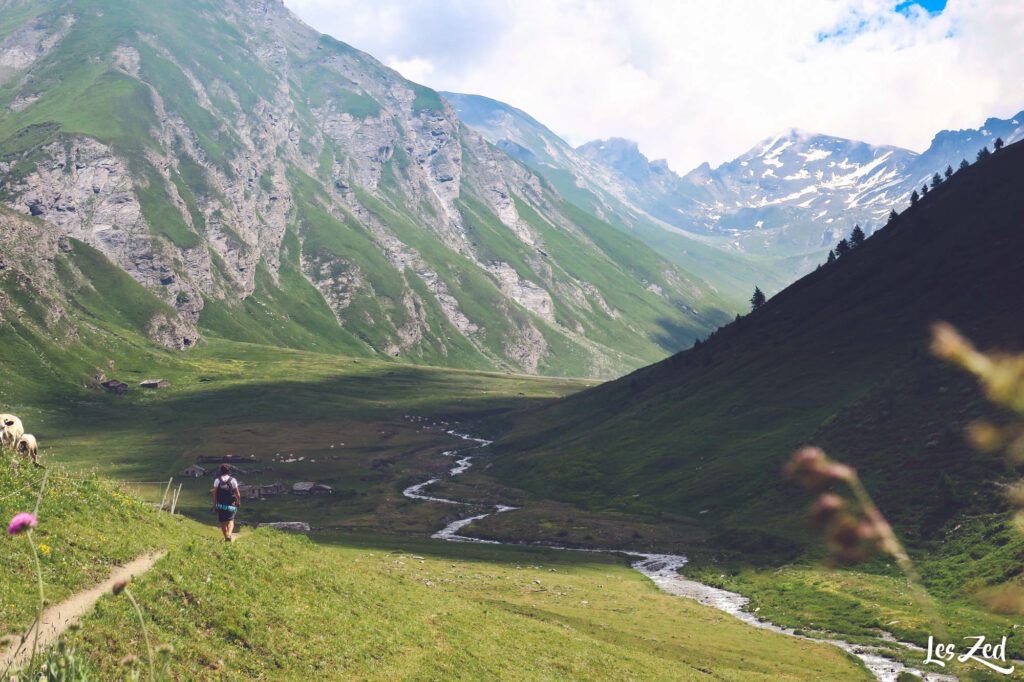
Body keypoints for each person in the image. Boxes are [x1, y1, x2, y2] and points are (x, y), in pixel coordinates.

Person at [212, 464, 241, 542]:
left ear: (220, 471)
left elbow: (214, 494)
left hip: (221, 505)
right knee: (231, 521)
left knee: (223, 523)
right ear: (229, 471)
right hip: (231, 505)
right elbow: (237, 493)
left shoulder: (217, 480)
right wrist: (238, 502)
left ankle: (226, 538)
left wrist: (214, 506)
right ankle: (229, 534)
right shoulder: (233, 480)